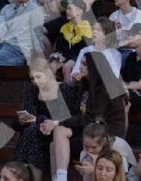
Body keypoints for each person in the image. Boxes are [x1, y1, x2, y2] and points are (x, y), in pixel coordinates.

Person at [46, 52, 127, 181]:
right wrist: (73, 83)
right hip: (90, 129)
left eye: (84, 64)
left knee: (60, 129)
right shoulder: (86, 85)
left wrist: (57, 122)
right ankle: (58, 178)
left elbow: (89, 118)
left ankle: (61, 178)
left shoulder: (105, 88)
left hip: (106, 135)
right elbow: (79, 113)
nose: (80, 67)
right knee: (53, 144)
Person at [14, 55, 78, 181]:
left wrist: (38, 120)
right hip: (36, 133)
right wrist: (21, 120)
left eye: (38, 77)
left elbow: (64, 119)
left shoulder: (62, 89)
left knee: (31, 133)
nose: (35, 81)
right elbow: (27, 116)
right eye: (32, 78)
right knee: (31, 132)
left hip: (56, 132)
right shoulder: (33, 92)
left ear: (48, 73)